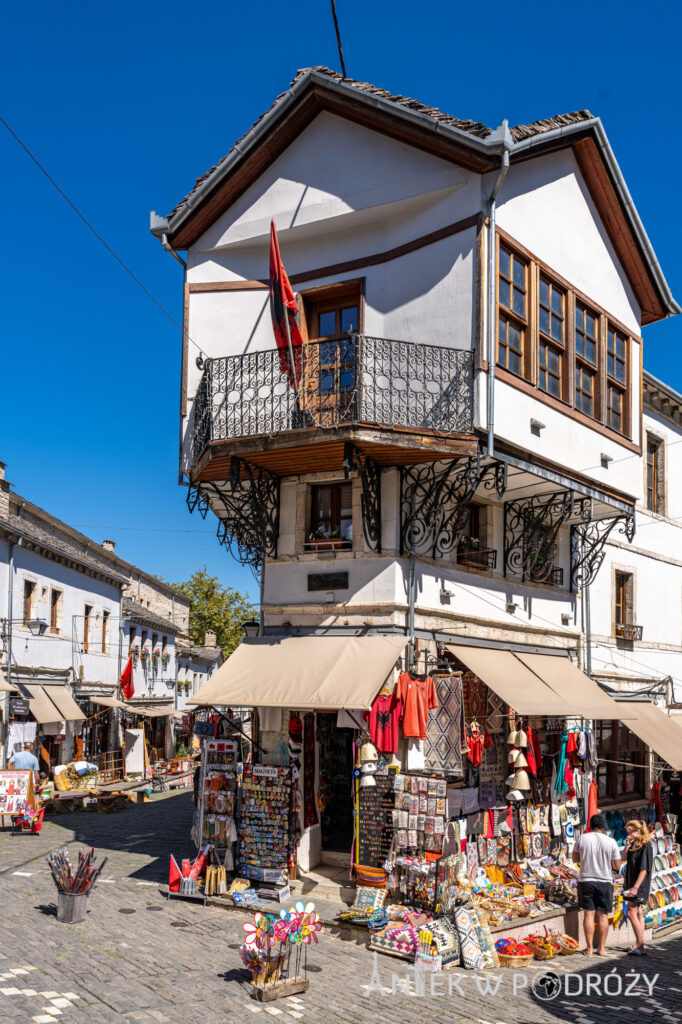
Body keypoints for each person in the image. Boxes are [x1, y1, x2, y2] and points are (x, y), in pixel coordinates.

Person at [572, 812, 622, 955]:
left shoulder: (582, 838)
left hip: (586, 880)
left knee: (588, 914)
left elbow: (575, 859)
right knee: (603, 915)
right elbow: (617, 866)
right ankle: (601, 948)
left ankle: (588, 948)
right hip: (605, 881)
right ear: (603, 826)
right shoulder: (611, 841)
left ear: (590, 825)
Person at [623, 819, 653, 956]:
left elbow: (644, 869)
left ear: (638, 831)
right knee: (638, 912)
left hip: (639, 885)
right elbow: (623, 859)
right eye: (628, 832)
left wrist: (635, 887)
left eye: (631, 832)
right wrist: (626, 845)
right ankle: (639, 944)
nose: (629, 834)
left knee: (631, 913)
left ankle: (640, 946)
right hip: (631, 883)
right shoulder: (634, 844)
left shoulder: (646, 846)